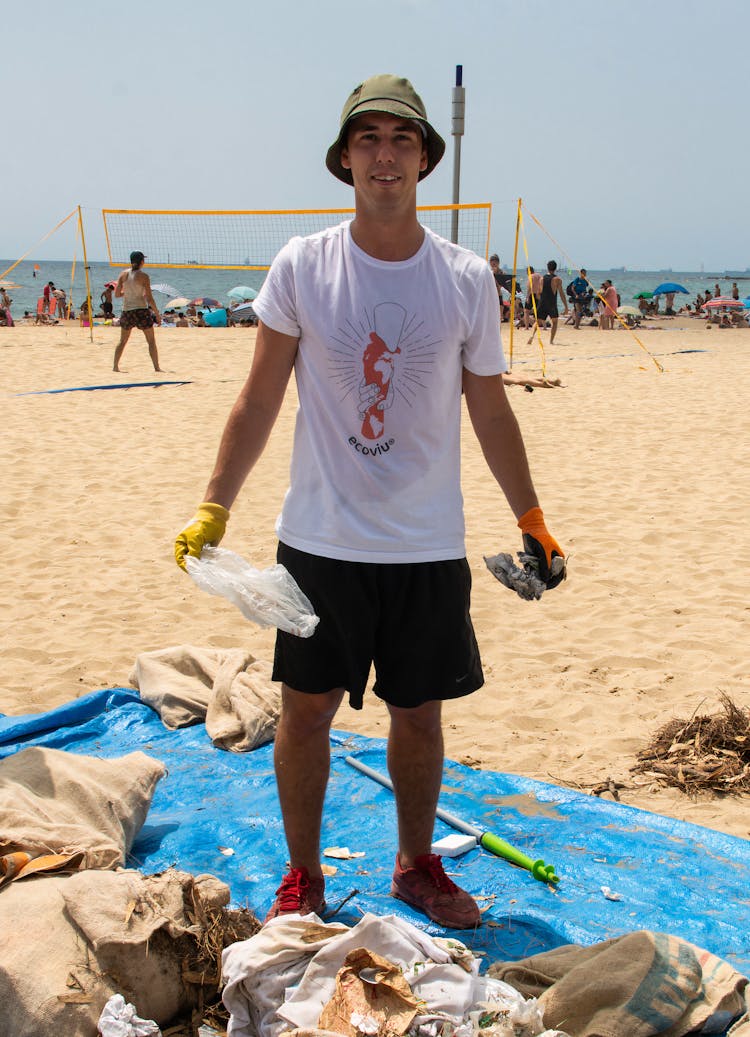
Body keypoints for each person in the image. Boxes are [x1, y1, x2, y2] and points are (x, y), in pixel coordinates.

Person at [174, 73, 565, 930]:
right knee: (304, 711)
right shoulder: (303, 265)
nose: (384, 156)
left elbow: (490, 406)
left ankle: (416, 864)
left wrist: (530, 516)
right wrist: (215, 506)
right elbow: (259, 396)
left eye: (401, 140)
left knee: (418, 714)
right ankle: (304, 876)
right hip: (320, 538)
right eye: (368, 140)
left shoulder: (465, 278)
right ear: (345, 158)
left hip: (427, 543)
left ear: (424, 157)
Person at [113, 250, 163, 372]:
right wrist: (157, 314)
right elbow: (149, 298)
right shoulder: (144, 276)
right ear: (142, 262)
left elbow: (117, 294)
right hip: (141, 310)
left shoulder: (123, 274)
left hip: (127, 310)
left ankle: (115, 367)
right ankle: (157, 368)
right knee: (151, 341)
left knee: (122, 341)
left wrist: (128, 292)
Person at [528, 260, 568, 344]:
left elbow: (538, 292)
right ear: (555, 268)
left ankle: (532, 335)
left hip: (542, 302)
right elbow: (561, 293)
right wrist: (566, 306)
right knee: (555, 322)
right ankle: (551, 340)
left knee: (538, 322)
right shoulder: (557, 279)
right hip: (551, 303)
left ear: (547, 268)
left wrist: (539, 303)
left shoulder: (542, 278)